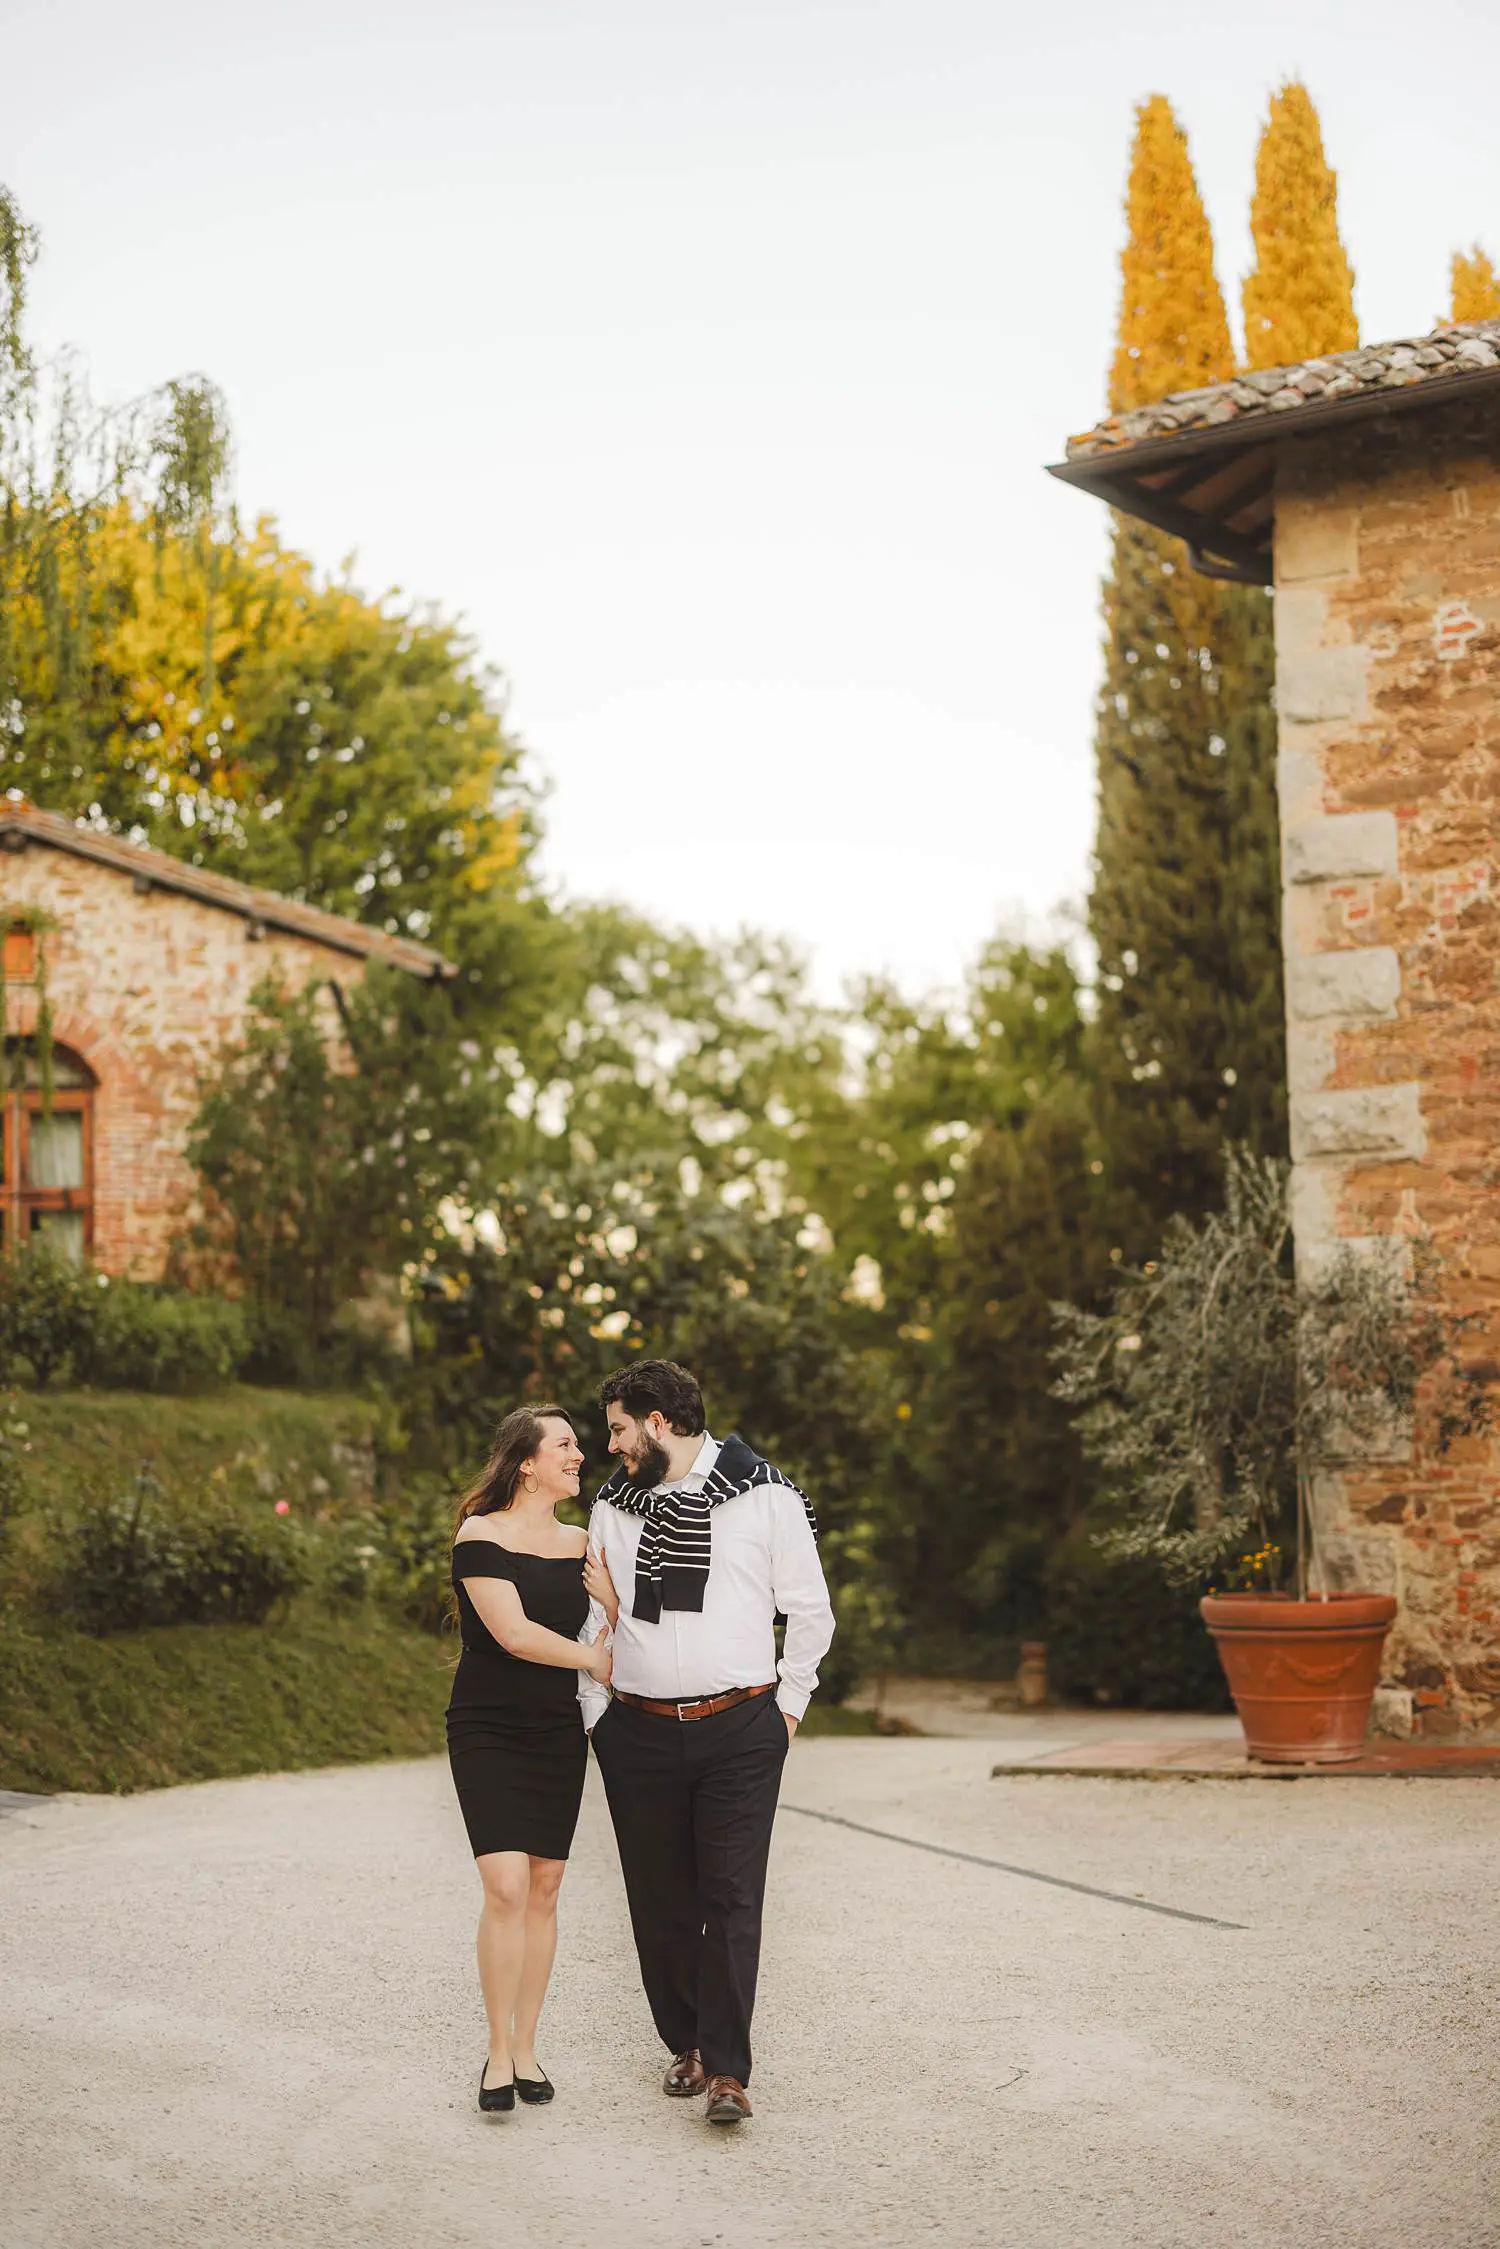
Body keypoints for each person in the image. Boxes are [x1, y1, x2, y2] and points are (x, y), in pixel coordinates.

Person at [579, 1359, 835, 2126]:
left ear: (658, 1420)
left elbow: (810, 1609)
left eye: (620, 1428)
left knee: (730, 1897)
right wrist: (597, 1712)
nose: (614, 1447)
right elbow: (595, 1616)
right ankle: (684, 2043)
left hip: (741, 1726)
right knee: (659, 1901)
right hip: (638, 1729)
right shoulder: (614, 1507)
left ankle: (727, 2068)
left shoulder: (766, 1497)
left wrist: (787, 1706)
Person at [447, 1404, 613, 2114]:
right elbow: (513, 1633)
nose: (580, 1453)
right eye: (567, 1444)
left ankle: (527, 2044)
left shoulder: (582, 1542)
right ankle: (494, 2049)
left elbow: (625, 1613)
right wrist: (594, 1659)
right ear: (526, 1461)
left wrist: (613, 1600)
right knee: (507, 1885)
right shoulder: (479, 1534)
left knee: (545, 1888)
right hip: (487, 1725)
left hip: (555, 1727)